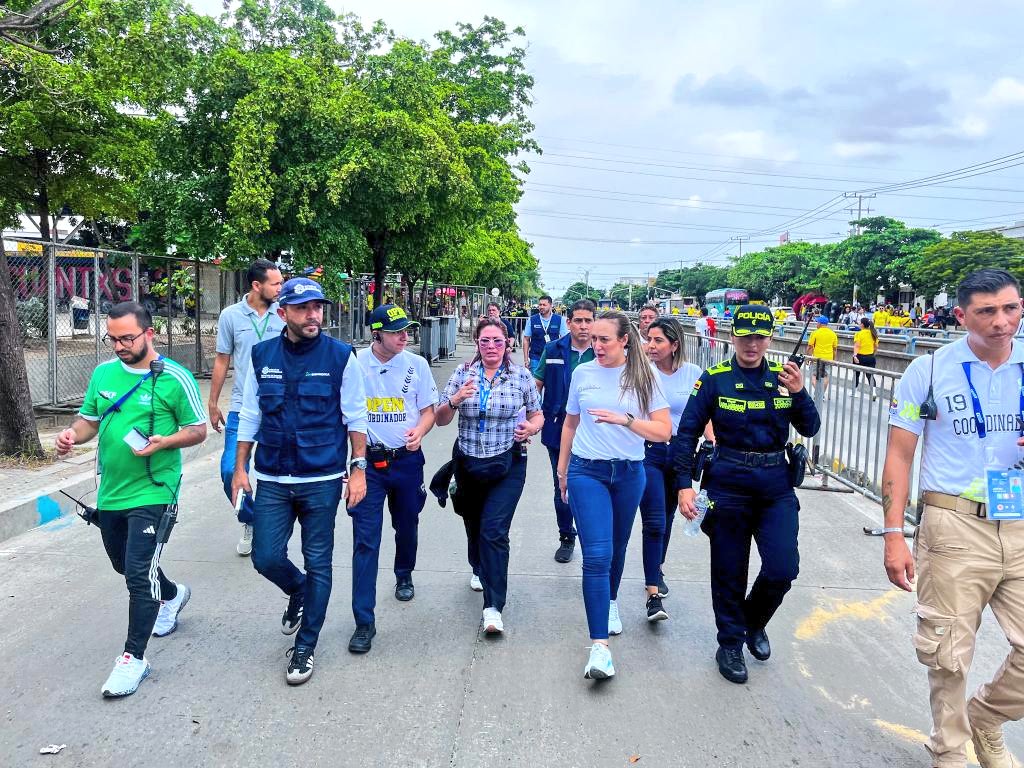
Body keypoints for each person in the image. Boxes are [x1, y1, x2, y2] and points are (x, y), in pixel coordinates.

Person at [882, 268, 1024, 768]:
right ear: (962, 315)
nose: (1001, 322)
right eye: (987, 311)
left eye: (1011, 308)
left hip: (1021, 520)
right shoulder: (930, 370)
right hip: (952, 525)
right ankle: (950, 751)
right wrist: (894, 534)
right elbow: (900, 455)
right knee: (947, 654)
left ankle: (984, 717)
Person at [54, 302, 207, 698]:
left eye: (127, 338)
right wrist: (72, 435)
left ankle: (133, 659)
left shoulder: (175, 377)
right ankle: (172, 595)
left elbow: (197, 430)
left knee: (139, 572)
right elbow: (89, 419)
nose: (119, 346)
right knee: (124, 564)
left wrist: (165, 441)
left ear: (149, 334)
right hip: (112, 491)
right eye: (113, 338)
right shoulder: (103, 373)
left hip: (156, 488)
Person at [232, 278, 368, 686]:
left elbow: (356, 416)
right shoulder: (261, 355)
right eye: (304, 308)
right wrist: (241, 467)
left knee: (319, 561)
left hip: (322, 477)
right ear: (283, 313)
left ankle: (305, 646)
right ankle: (299, 591)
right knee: (265, 557)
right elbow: (250, 414)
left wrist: (358, 468)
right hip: (272, 474)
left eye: (318, 308)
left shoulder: (342, 356)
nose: (314, 315)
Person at [674, 305, 820, 685]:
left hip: (775, 484)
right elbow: (687, 432)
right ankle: (730, 644)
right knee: (729, 571)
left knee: (783, 568)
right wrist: (684, 484)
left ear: (769, 339)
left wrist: (800, 392)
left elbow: (810, 426)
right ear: (733, 337)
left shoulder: (784, 378)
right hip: (728, 483)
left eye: (759, 337)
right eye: (745, 336)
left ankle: (754, 622)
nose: (752, 344)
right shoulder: (715, 379)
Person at [557, 310, 672, 680]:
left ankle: (609, 601)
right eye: (593, 339)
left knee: (617, 548)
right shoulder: (582, 373)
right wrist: (562, 470)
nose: (597, 345)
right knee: (597, 555)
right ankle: (599, 648)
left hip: (629, 473)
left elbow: (663, 432)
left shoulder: (644, 375)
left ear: (625, 340)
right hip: (586, 471)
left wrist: (626, 420)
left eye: (605, 339)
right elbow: (571, 423)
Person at [435, 317, 543, 635]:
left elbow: (538, 414)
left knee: (494, 532)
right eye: (485, 341)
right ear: (477, 343)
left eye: (498, 341)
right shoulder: (462, 374)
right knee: (474, 526)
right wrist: (455, 401)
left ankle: (493, 607)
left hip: (508, 464)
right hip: (468, 463)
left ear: (507, 343)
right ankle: (478, 567)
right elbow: (440, 419)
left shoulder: (520, 376)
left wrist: (530, 427)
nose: (492, 347)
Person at [346, 304, 438, 654]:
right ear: (376, 334)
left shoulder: (417, 365)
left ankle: (404, 572)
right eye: (396, 331)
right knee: (365, 540)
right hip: (368, 464)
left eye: (406, 330)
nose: (404, 336)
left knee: (407, 524)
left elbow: (428, 411)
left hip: (407, 462)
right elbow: (346, 415)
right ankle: (364, 622)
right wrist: (352, 466)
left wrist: (421, 430)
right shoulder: (354, 364)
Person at [208, 259, 284, 556]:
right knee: (230, 470)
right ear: (256, 285)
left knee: (275, 473)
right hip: (242, 407)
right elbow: (222, 359)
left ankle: (274, 526)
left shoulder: (284, 313)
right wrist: (213, 403)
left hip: (279, 408)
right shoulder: (231, 316)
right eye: (275, 283)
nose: (281, 287)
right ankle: (250, 519)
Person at [639, 317, 708, 618]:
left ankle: (657, 568)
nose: (651, 346)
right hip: (649, 451)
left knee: (666, 519)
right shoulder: (641, 373)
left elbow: (705, 416)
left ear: (675, 344)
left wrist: (712, 444)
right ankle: (653, 594)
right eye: (649, 340)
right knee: (654, 520)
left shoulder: (693, 374)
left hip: (681, 453)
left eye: (658, 341)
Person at [535, 299, 596, 563]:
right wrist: (530, 416)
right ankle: (566, 536)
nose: (583, 326)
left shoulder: (603, 351)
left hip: (596, 434)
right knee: (562, 484)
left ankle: (591, 538)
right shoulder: (553, 349)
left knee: (592, 487)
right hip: (559, 429)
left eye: (588, 320)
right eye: (578, 320)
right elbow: (536, 384)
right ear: (568, 322)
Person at [523, 294, 566, 373]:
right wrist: (526, 360)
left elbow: (564, 339)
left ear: (550, 305)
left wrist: (563, 357)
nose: (541, 307)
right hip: (535, 357)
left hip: (553, 357)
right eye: (540, 305)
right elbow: (526, 339)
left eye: (544, 305)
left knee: (551, 383)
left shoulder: (560, 320)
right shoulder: (531, 320)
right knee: (535, 384)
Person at [807, 315, 839, 397]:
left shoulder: (815, 333)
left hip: (816, 358)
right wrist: (833, 359)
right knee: (826, 376)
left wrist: (808, 358)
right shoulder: (833, 334)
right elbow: (835, 349)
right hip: (828, 358)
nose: (816, 324)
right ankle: (821, 395)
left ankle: (819, 392)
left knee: (813, 376)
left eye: (817, 322)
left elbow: (810, 347)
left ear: (820, 323)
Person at [852, 317, 879, 398]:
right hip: (870, 357)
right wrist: (873, 355)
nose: (859, 324)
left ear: (862, 325)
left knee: (856, 374)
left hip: (860, 356)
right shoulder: (874, 334)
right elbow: (876, 347)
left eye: (860, 323)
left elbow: (857, 346)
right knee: (870, 375)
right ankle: (874, 392)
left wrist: (854, 355)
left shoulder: (859, 334)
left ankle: (855, 392)